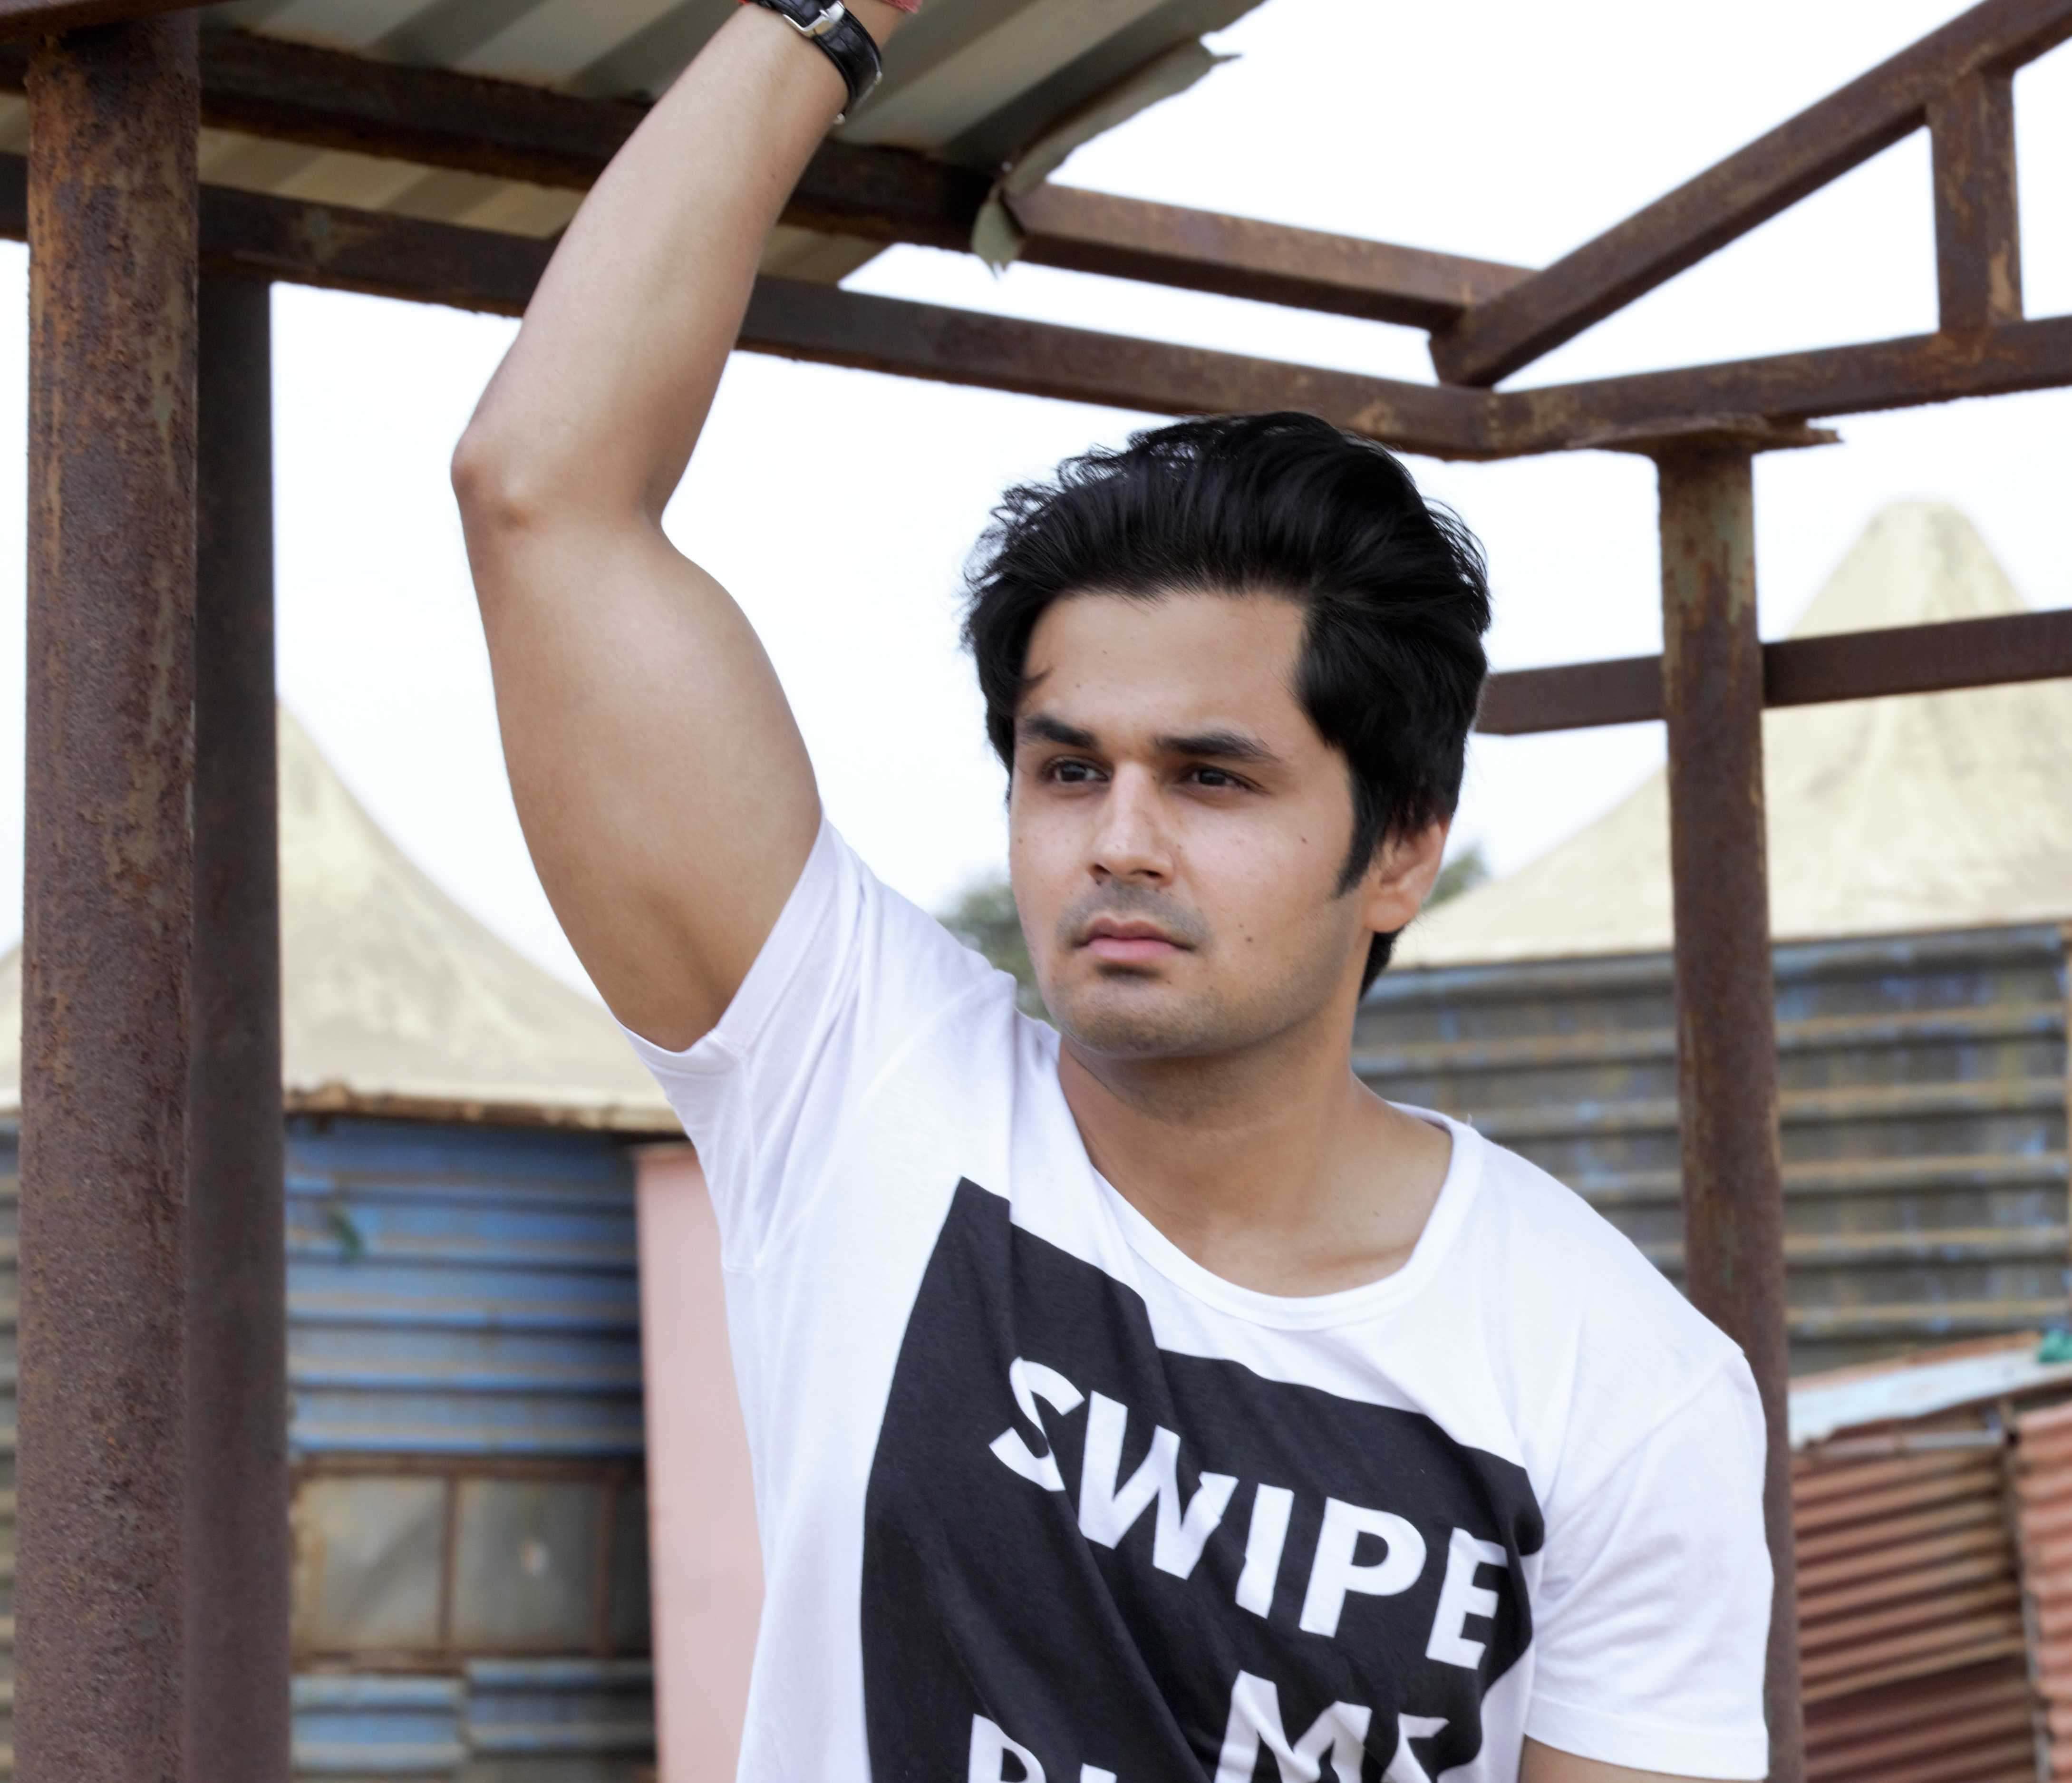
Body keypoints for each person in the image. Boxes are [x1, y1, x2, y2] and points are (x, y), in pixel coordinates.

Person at [450, 4, 1772, 1779]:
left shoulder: (1612, 1380)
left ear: (1400, 847)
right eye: (1067, 768)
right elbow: (541, 492)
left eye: (1213, 778)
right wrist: (832, 20)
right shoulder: (862, 1097)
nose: (1118, 839)